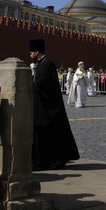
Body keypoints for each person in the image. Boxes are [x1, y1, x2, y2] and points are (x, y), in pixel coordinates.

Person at [30, 38, 79, 170]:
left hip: (48, 107)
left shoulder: (47, 63)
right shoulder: (42, 63)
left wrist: (32, 84)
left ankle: (54, 160)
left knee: (52, 134)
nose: (30, 55)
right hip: (43, 105)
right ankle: (47, 159)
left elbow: (42, 84)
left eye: (31, 52)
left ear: (37, 51)